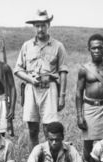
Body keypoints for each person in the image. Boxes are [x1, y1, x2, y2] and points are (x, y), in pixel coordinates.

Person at [14, 9, 68, 151]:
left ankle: (49, 160)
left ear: (48, 25)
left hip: (50, 89)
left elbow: (63, 71)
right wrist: (30, 79)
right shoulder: (27, 46)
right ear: (34, 27)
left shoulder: (58, 46)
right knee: (32, 129)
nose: (40, 29)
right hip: (31, 89)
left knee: (49, 129)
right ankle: (35, 160)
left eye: (43, 25)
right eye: (37, 25)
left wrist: (62, 96)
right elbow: (18, 69)